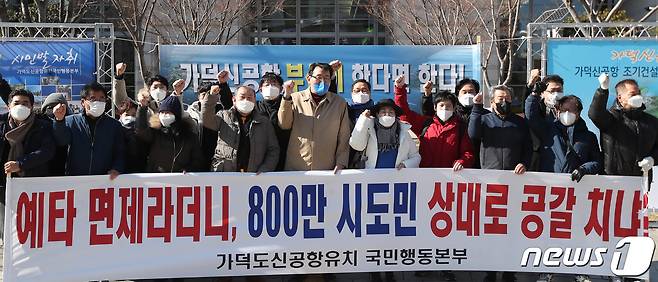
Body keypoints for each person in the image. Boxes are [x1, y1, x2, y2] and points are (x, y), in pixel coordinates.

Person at [469, 85, 531, 282]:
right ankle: (491, 270)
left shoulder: (520, 123)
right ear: (492, 101)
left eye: (506, 98)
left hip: (515, 183)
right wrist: (477, 108)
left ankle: (509, 270)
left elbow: (528, 148)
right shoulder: (484, 119)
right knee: (492, 229)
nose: (503, 101)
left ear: (511, 100)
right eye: (499, 98)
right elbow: (472, 134)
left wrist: (524, 163)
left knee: (511, 229)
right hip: (491, 182)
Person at [0, 89, 56, 241]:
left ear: (32, 106)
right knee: (7, 230)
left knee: (33, 229)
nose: (21, 106)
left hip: (33, 183)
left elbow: (47, 151)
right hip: (4, 186)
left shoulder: (43, 125)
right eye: (17, 103)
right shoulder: (1, 124)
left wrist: (20, 164)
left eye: (25, 103)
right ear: (9, 106)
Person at [278, 62, 350, 173]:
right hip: (296, 168)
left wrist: (341, 162)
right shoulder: (295, 98)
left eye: (327, 78)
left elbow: (344, 136)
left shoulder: (339, 103)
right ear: (308, 78)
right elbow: (284, 124)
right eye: (318, 77)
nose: (323, 81)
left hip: (327, 169)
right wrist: (286, 97)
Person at [394, 75, 474, 171]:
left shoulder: (460, 127)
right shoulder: (425, 124)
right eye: (441, 105)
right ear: (435, 108)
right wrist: (399, 90)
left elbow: (468, 152)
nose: (445, 108)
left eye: (448, 106)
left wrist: (463, 161)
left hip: (451, 178)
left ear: (454, 108)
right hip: (426, 176)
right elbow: (404, 113)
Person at [589, 73, 658, 180]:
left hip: (643, 181)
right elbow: (595, 114)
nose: (638, 97)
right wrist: (602, 90)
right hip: (615, 181)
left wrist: (653, 159)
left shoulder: (652, 121)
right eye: (632, 94)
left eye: (639, 93)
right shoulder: (611, 118)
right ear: (620, 98)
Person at [53, 82, 125, 179]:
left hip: (104, 182)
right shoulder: (71, 121)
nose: (98, 102)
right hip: (76, 180)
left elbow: (120, 152)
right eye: (93, 99)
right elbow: (61, 141)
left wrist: (117, 168)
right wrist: (59, 121)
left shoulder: (114, 125)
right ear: (83, 102)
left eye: (102, 99)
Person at [201, 85, 279, 173]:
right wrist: (212, 96)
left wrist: (265, 169)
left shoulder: (264, 122)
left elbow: (273, 150)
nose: (246, 100)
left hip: (255, 176)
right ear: (234, 100)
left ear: (254, 100)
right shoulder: (224, 116)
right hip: (224, 174)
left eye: (249, 98)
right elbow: (206, 120)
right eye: (242, 97)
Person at [135, 95, 203, 173]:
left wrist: (189, 169)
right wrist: (142, 108)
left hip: (181, 181)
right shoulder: (154, 132)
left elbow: (197, 160)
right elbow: (141, 131)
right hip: (155, 180)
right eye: (162, 112)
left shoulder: (190, 137)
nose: (164, 115)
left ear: (176, 115)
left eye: (167, 112)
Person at [349, 99, 420, 169]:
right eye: (383, 112)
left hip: (397, 178)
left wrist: (406, 164)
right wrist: (363, 120)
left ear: (395, 115)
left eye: (391, 112)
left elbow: (415, 157)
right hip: (371, 177)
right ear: (377, 114)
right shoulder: (369, 129)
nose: (387, 114)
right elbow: (356, 145)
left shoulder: (403, 132)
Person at [187, 71, 234, 171]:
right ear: (198, 96)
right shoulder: (189, 113)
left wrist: (223, 84)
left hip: (216, 158)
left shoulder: (222, 111)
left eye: (211, 94)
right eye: (204, 94)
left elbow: (229, 105)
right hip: (195, 157)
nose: (206, 97)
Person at [525, 70, 565, 171]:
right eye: (552, 91)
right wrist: (532, 89)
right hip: (542, 161)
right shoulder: (538, 108)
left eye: (559, 90)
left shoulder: (568, 110)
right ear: (542, 93)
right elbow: (529, 112)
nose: (556, 94)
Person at [39, 92, 73, 176]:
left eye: (59, 106)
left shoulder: (71, 122)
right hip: (41, 170)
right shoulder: (38, 123)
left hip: (64, 170)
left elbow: (63, 141)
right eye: (51, 107)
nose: (55, 110)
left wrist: (59, 120)